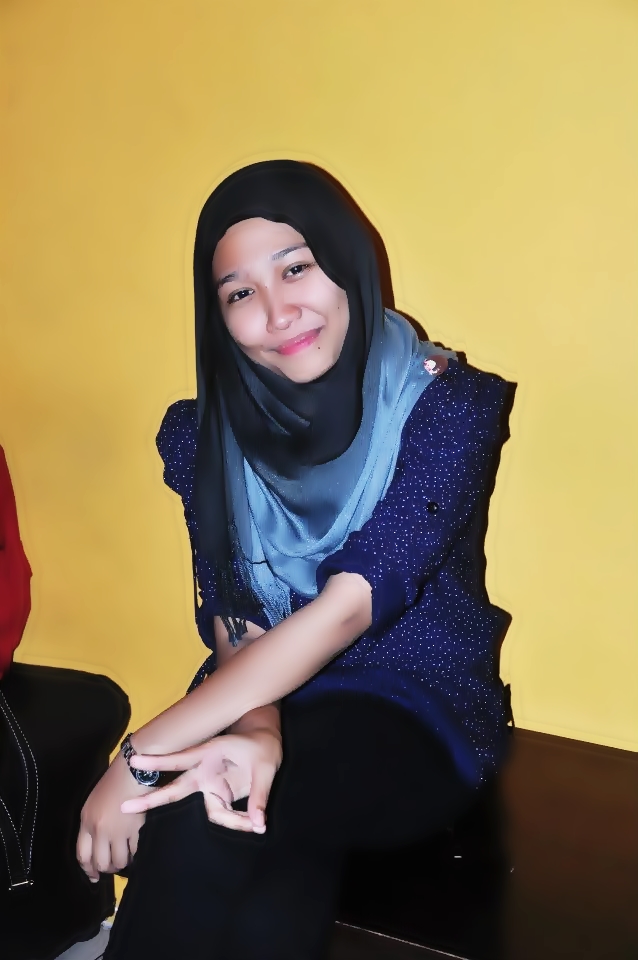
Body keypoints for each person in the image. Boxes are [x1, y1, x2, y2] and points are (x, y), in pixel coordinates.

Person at [77, 160, 514, 960]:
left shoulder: (447, 406)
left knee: (205, 807)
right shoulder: (202, 435)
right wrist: (259, 727)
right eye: (239, 292)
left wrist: (138, 759)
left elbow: (349, 607)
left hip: (415, 705)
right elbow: (235, 615)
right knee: (235, 821)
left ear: (347, 265)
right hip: (260, 690)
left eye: (296, 268)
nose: (277, 312)